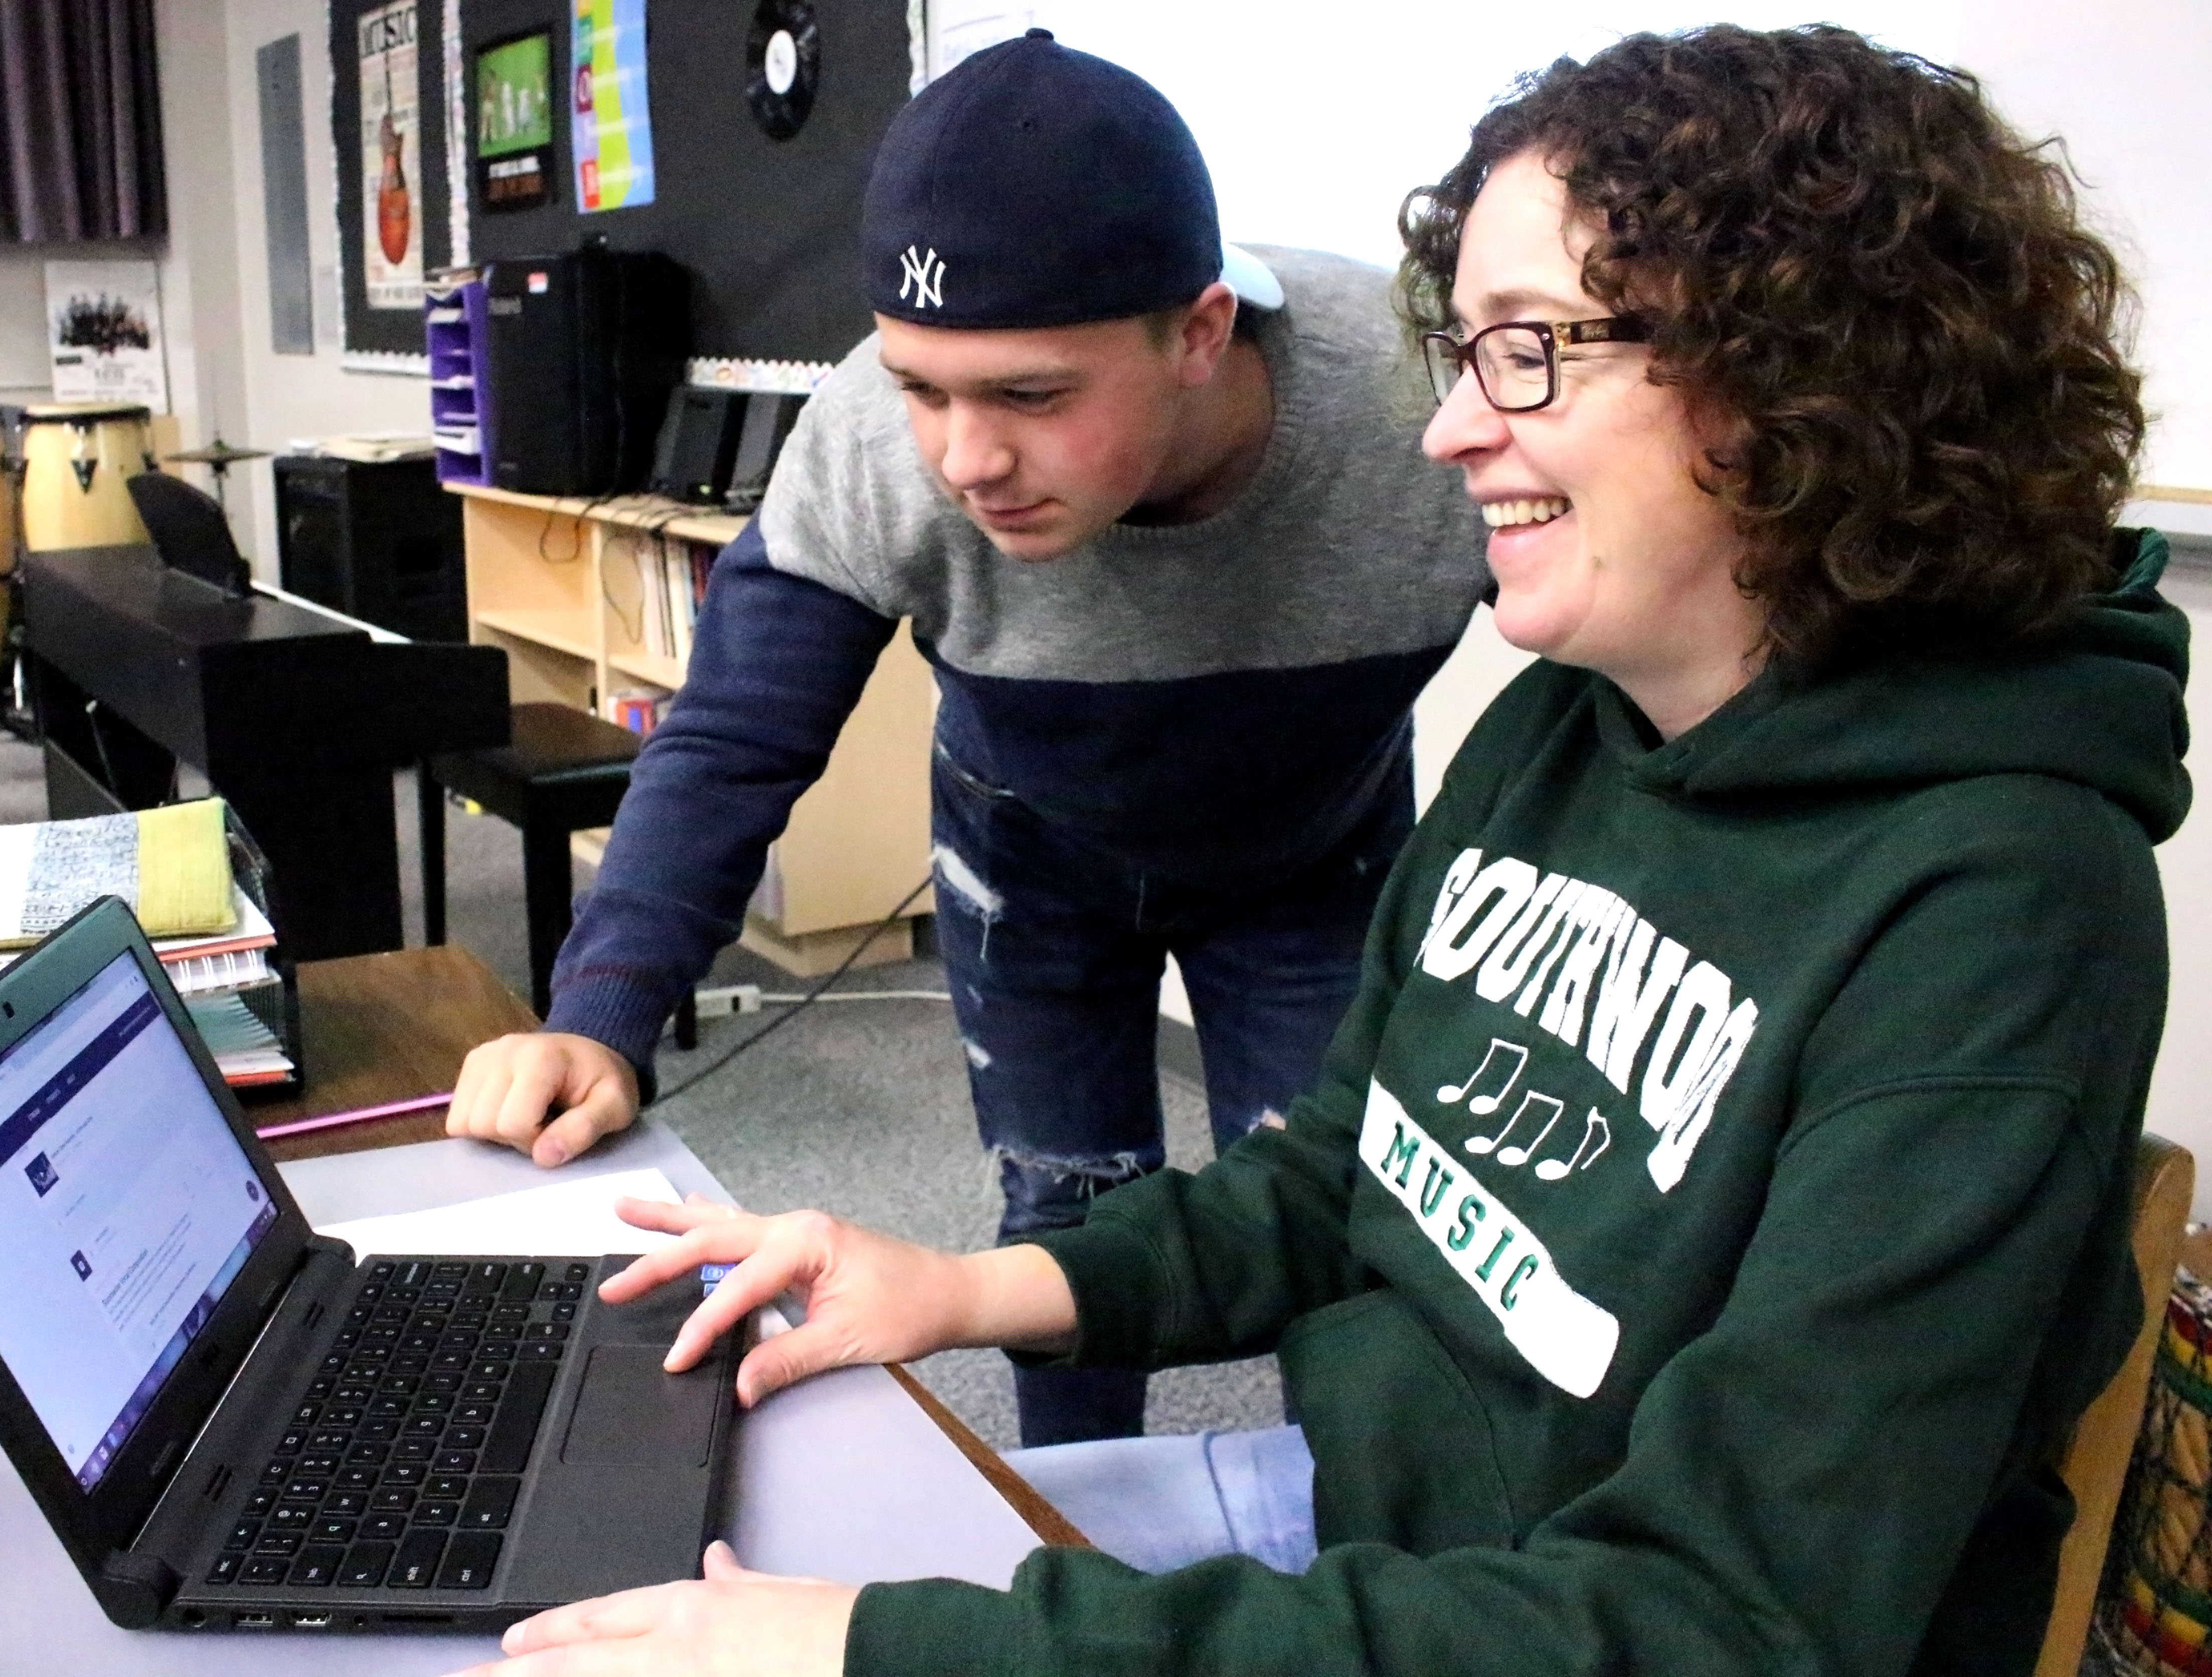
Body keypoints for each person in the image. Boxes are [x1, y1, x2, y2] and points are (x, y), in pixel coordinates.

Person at [452, 22, 2192, 1677]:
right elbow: (1353, 1172)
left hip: (1544, 1611)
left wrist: (897, 1650)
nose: (1449, 430)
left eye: (1527, 349)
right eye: (1468, 351)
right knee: (635, 1582)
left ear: (1803, 373)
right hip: (1364, 1504)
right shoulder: (1577, 725)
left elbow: (1722, 1626)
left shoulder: (1995, 910)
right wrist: (957, 1279)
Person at [444, 32, 1490, 1445]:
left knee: (1339, 1234)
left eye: (1031, 397)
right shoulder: (879, 442)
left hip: (1315, 861)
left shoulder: (1425, 402)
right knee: (1062, 1219)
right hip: (1032, 866)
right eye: (921, 384)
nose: (963, 460)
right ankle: (1074, 1558)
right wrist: (602, 1007)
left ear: (1198, 331)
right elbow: (735, 735)